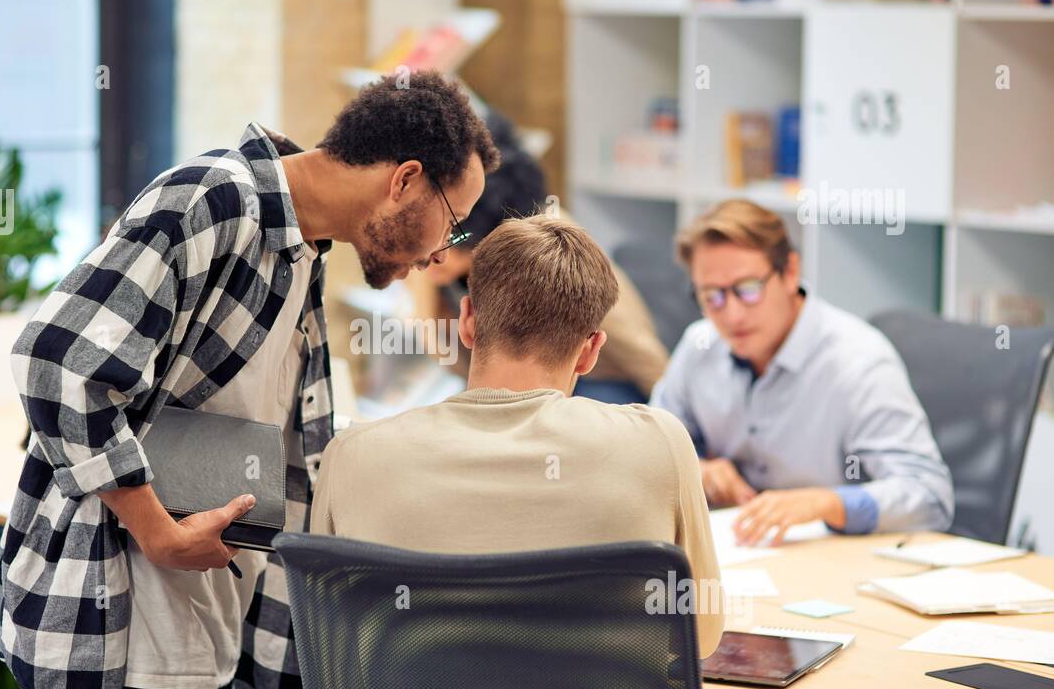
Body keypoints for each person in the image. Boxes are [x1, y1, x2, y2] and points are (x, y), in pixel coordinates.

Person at [0, 71, 499, 689]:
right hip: (137, 627)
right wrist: (159, 534)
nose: (443, 253)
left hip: (209, 617)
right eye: (452, 220)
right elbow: (57, 359)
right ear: (404, 179)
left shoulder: (300, 252)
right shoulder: (214, 202)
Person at [311, 214, 724, 658]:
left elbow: (324, 640)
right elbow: (700, 634)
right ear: (590, 351)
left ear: (467, 322)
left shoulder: (352, 455)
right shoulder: (660, 443)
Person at [651, 199, 953, 545]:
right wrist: (697, 472)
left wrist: (826, 502)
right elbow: (649, 453)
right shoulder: (700, 346)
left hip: (838, 563)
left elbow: (930, 497)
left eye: (748, 289)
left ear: (790, 272)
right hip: (738, 554)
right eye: (712, 296)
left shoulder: (859, 361)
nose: (731, 315)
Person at [420, 108, 669, 403]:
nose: (432, 255)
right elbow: (453, 355)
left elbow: (635, 343)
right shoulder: (441, 255)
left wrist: (678, 426)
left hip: (596, 381)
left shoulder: (550, 239)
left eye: (452, 237)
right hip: (510, 384)